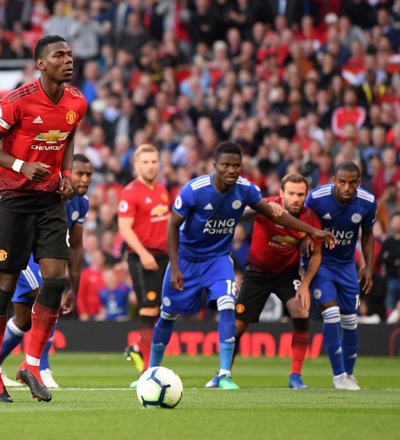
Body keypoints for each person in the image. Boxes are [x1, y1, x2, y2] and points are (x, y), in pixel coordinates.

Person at [148, 141, 335, 390]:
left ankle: (224, 374)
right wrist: (174, 266)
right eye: (225, 165)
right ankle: (151, 371)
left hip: (218, 260)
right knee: (168, 315)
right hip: (186, 259)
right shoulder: (194, 190)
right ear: (215, 166)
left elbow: (272, 213)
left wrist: (314, 231)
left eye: (236, 165)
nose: (231, 170)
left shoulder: (246, 189)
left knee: (227, 306)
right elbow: (172, 225)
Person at [0, 35, 87, 403]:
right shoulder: (18, 101)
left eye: (70, 54)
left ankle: (32, 365)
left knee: (55, 280)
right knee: (4, 288)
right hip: (11, 200)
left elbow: (68, 139)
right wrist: (22, 165)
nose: (68, 60)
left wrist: (67, 176)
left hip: (50, 200)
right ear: (41, 63)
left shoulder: (77, 102)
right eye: (59, 55)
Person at [0, 154, 93, 389]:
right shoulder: (51, 191)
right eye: (80, 173)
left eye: (89, 175)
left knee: (23, 320)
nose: (84, 180)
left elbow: (76, 248)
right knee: (46, 294)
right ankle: (41, 368)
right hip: (24, 254)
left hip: (42, 258)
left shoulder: (81, 204)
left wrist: (73, 286)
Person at [224, 173, 322, 390]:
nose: (296, 199)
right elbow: (238, 215)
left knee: (301, 312)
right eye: (291, 194)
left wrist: (305, 283)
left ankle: (295, 376)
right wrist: (261, 209)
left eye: (300, 194)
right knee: (237, 326)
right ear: (281, 194)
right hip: (256, 274)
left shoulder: (310, 219)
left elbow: (317, 254)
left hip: (287, 275)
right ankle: (224, 374)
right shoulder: (267, 205)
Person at [304, 161, 377, 391]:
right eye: (342, 182)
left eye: (352, 183)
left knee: (350, 320)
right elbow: (302, 223)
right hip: (321, 263)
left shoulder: (367, 202)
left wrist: (367, 266)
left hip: (347, 265)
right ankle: (338, 376)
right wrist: (306, 237)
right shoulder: (316, 198)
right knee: (332, 314)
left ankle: (349, 374)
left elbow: (368, 234)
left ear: (359, 183)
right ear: (334, 180)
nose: (347, 187)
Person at [117, 144, 170, 384]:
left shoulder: (161, 190)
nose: (150, 166)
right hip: (142, 257)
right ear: (137, 165)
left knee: (160, 311)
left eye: (154, 161)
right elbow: (124, 228)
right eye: (146, 162)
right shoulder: (130, 192)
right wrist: (144, 254)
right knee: (149, 309)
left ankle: (139, 349)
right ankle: (148, 371)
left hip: (163, 257)